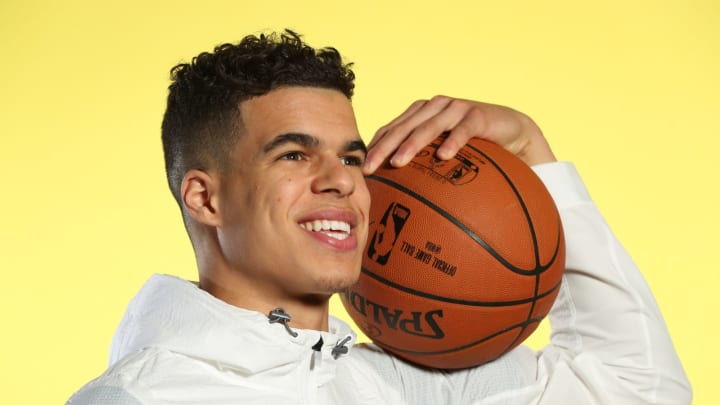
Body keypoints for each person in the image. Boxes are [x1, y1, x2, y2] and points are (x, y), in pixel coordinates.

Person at [66, 30, 691, 404]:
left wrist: (531, 152)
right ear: (205, 199)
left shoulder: (389, 384)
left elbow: (636, 390)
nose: (343, 180)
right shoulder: (141, 398)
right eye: (293, 153)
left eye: (352, 157)